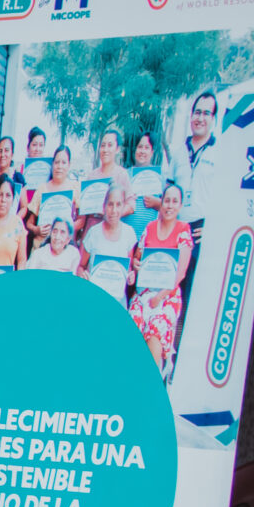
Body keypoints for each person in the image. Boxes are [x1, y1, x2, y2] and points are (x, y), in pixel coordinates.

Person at [131, 182, 196, 371]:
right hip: (145, 291)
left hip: (168, 295)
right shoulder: (150, 227)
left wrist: (159, 296)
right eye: (167, 200)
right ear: (162, 202)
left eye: (175, 201)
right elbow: (138, 257)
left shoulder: (183, 230)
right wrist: (136, 265)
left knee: (155, 328)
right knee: (131, 326)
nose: (169, 205)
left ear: (180, 206)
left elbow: (181, 273)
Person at [82, 183, 138, 306]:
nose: (114, 210)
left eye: (118, 205)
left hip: (117, 301)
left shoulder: (129, 233)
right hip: (94, 298)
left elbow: (128, 270)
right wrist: (82, 274)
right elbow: (81, 266)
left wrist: (131, 276)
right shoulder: (93, 232)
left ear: (123, 206)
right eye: (110, 204)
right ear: (104, 206)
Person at [31, 145, 81, 243]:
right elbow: (30, 223)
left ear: (69, 165)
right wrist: (36, 230)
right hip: (41, 246)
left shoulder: (75, 188)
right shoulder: (42, 189)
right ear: (52, 164)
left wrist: (63, 230)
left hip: (63, 246)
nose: (60, 166)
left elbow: (82, 221)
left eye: (64, 162)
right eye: (57, 162)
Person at [78, 130, 127, 220]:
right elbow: (83, 211)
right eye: (103, 145)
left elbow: (131, 205)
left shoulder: (122, 174)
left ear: (117, 149)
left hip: (112, 230)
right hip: (91, 228)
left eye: (110, 145)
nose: (105, 150)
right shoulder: (92, 176)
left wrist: (111, 215)